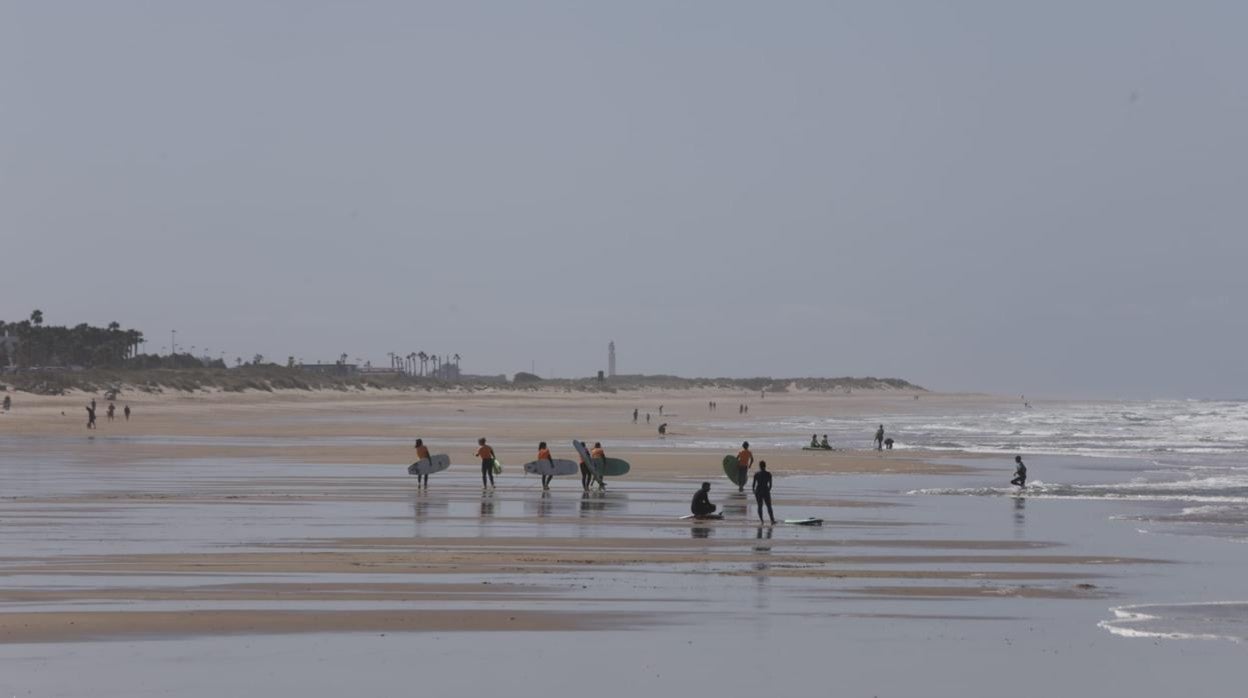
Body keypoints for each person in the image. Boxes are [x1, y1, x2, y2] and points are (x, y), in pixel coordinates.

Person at [752, 461, 775, 525]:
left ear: (759, 466)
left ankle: (762, 520)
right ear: (765, 466)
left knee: (760, 506)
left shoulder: (756, 474)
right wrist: (768, 490)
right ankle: (772, 520)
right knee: (769, 506)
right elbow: (770, 485)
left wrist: (754, 491)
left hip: (758, 490)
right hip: (765, 490)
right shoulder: (768, 474)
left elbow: (753, 485)